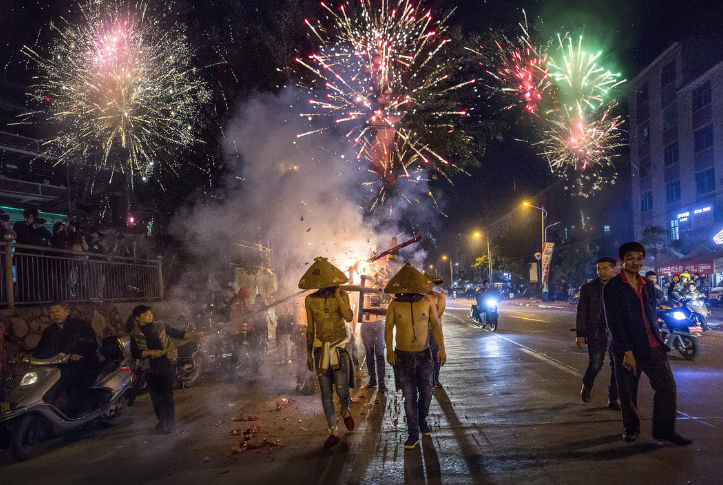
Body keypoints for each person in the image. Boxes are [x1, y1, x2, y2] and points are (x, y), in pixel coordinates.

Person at [603, 242, 692, 445]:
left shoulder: (648, 285)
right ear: (621, 260)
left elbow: (651, 313)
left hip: (653, 345)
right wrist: (626, 351)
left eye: (639, 258)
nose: (635, 262)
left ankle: (664, 430)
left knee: (667, 387)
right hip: (627, 348)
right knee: (628, 392)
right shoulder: (613, 287)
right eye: (630, 258)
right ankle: (631, 428)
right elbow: (614, 321)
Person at [385, 263, 446, 450]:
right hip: (402, 357)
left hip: (425, 355)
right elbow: (388, 329)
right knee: (409, 396)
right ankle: (413, 433)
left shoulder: (427, 302)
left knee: (427, 392)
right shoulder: (394, 304)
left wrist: (441, 349)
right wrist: (389, 350)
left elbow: (435, 325)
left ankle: (422, 420)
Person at [300, 257, 355, 449]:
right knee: (326, 393)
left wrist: (338, 294)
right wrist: (308, 354)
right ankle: (333, 430)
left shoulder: (343, 295)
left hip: (339, 347)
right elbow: (310, 328)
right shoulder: (310, 300)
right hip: (319, 349)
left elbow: (348, 316)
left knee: (341, 389)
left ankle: (346, 410)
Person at [128, 305, 196, 434]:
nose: (150, 316)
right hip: (150, 368)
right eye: (146, 314)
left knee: (167, 394)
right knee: (155, 396)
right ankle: (162, 421)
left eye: (150, 313)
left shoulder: (160, 326)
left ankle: (171, 422)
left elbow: (177, 333)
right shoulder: (135, 334)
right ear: (138, 317)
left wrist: (193, 335)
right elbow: (136, 353)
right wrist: (151, 352)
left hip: (166, 364)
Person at [33, 302, 99, 417]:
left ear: (66, 311)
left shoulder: (81, 325)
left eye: (58, 311)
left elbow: (91, 342)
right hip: (62, 365)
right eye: (52, 312)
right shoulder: (49, 332)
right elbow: (41, 348)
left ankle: (86, 411)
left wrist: (78, 352)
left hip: (85, 362)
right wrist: (28, 355)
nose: (55, 314)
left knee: (76, 383)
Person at [576, 257, 619, 410]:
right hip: (596, 332)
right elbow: (581, 311)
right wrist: (580, 333)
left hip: (617, 333)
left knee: (618, 367)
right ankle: (587, 385)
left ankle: (614, 398)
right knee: (595, 364)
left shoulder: (621, 287)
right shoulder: (588, 288)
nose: (601, 272)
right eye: (599, 269)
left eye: (605, 268)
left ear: (615, 269)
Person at [360, 291, 387, 394]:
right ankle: (373, 379)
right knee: (369, 354)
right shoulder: (363, 289)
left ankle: (381, 383)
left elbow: (384, 303)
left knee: (379, 355)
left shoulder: (379, 288)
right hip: (366, 324)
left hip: (378, 324)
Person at [424, 273, 446, 389]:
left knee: (436, 354)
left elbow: (439, 312)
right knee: (425, 355)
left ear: (433, 284)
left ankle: (435, 378)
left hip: (435, 329)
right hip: (422, 330)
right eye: (425, 283)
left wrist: (430, 319)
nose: (428, 286)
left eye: (430, 283)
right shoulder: (421, 297)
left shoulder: (439, 297)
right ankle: (427, 378)